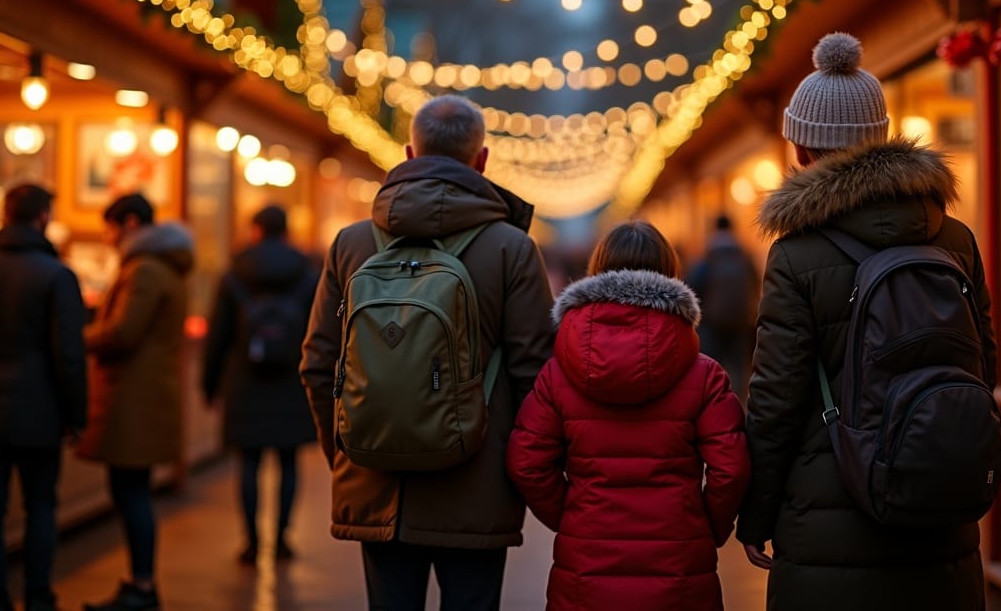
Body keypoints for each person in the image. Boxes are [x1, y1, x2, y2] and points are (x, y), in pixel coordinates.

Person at [736, 32, 995, 610]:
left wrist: (755, 513)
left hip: (830, 514)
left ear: (801, 150)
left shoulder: (795, 253)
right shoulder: (954, 238)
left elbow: (777, 398)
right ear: (879, 138)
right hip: (940, 510)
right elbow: (984, 362)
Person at [301, 94, 557, 611]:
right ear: (481, 159)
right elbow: (536, 374)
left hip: (376, 481)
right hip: (478, 482)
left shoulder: (352, 243)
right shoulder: (511, 247)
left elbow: (317, 363)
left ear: (408, 153)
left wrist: (347, 454)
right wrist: (524, 473)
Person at [506, 220, 750, 611]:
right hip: (680, 572)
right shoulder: (704, 374)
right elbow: (732, 466)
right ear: (671, 273)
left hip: (585, 574)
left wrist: (571, 513)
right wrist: (706, 526)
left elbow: (526, 460)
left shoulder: (558, 374)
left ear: (597, 271)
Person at [78, 193, 194, 611]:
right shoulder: (162, 265)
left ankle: (141, 588)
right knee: (134, 493)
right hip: (145, 398)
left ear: (129, 224)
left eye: (109, 227)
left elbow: (123, 333)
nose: (107, 237)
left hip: (133, 401)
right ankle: (140, 584)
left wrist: (78, 338)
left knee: (131, 494)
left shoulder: (144, 269)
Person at [202, 205, 318, 566]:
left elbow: (218, 335)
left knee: (248, 463)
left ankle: (251, 542)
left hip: (245, 380)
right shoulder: (308, 273)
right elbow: (320, 333)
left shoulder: (234, 273)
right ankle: (282, 539)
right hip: (291, 380)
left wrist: (209, 385)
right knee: (288, 461)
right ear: (286, 232)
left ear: (255, 231)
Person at [0, 185, 86, 611]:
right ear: (44, 216)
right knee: (40, 506)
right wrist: (76, 414)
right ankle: (37, 596)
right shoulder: (56, 275)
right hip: (39, 410)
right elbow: (68, 354)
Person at [687, 214, 760, 400]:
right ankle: (740, 404)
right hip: (741, 321)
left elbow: (693, 289)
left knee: (713, 367)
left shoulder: (707, 258)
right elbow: (757, 283)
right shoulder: (744, 256)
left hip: (712, 323)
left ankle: (716, 403)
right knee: (739, 367)